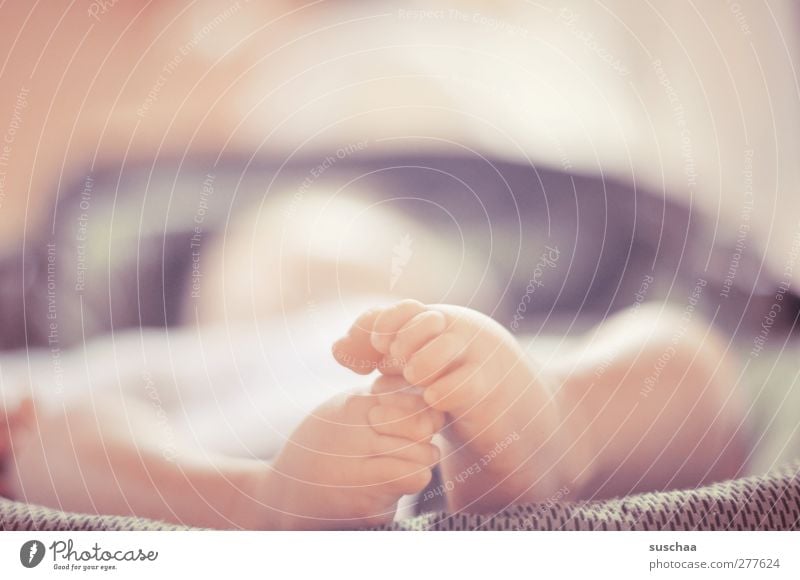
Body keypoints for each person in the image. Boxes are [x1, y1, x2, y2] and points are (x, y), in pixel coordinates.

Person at [0, 194, 747, 529]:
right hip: (235, 465)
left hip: (469, 431)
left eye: (358, 263)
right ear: (208, 294)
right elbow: (30, 419)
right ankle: (249, 506)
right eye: (290, 264)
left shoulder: (477, 354)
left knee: (675, 351)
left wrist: (530, 391)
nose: (330, 290)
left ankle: (558, 432)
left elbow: (705, 404)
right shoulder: (180, 358)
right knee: (56, 436)